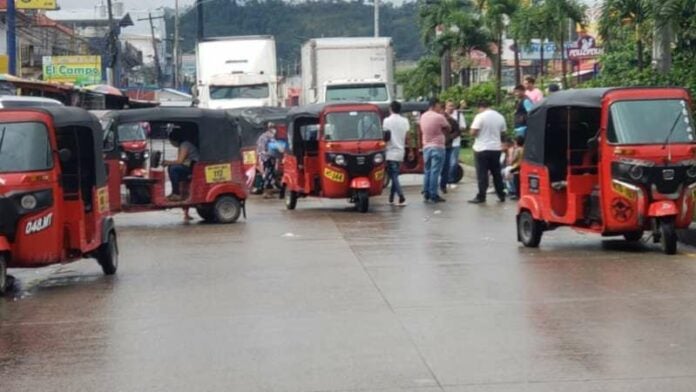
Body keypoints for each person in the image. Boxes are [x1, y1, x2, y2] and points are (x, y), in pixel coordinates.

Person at [468, 100, 507, 204]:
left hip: (481, 148)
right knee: (496, 173)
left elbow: (473, 132)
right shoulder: (500, 116)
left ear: (480, 107)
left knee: (482, 174)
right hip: (495, 148)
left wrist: (475, 133)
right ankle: (501, 194)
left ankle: (481, 196)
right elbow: (503, 133)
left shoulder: (480, 116)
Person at [420, 97, 450, 203]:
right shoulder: (439, 117)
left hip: (426, 147)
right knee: (435, 172)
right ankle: (433, 194)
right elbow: (448, 128)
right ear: (435, 105)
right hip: (438, 146)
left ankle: (426, 192)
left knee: (427, 170)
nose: (440, 107)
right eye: (439, 105)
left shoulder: (423, 116)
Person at [383, 100, 410, 206]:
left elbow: (385, 136)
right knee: (395, 175)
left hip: (390, 151)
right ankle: (391, 197)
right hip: (400, 151)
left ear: (390, 109)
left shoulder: (386, 121)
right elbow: (408, 137)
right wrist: (410, 150)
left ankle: (401, 196)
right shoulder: (405, 121)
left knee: (393, 175)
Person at [163, 132, 199, 202]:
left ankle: (176, 194)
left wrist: (167, 162)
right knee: (172, 167)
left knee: (173, 169)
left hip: (194, 168)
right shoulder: (183, 145)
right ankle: (175, 192)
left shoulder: (185, 145)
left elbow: (180, 161)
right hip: (190, 166)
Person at [440, 100, 461, 194]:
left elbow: (458, 130)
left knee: (448, 165)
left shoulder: (452, 120)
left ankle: (445, 183)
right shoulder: (437, 118)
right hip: (438, 146)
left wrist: (450, 137)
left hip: (449, 145)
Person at [256, 122, 280, 198]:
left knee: (268, 175)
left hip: (264, 158)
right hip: (267, 158)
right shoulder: (269, 136)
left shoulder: (262, 136)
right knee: (268, 175)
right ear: (269, 128)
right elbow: (274, 147)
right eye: (273, 128)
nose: (274, 129)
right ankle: (267, 193)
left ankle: (269, 191)